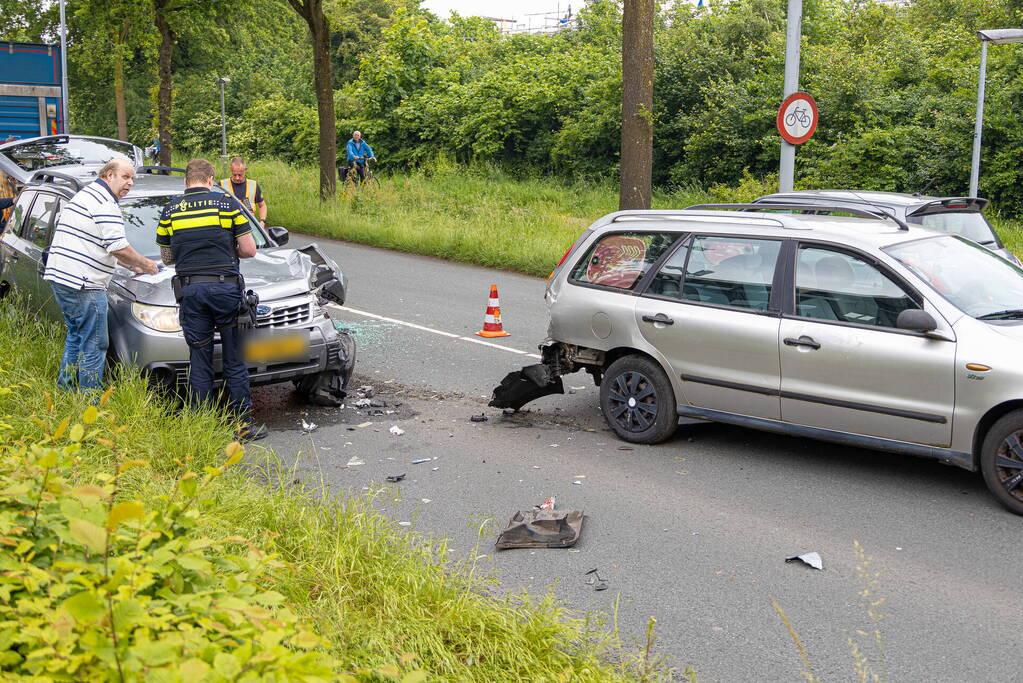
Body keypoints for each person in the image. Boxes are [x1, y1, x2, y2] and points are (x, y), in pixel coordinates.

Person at [158, 158, 266, 441]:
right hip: (225, 290)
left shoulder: (170, 210)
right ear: (210, 180)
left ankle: (199, 426)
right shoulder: (228, 205)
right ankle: (242, 425)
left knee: (200, 358)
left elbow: (167, 258)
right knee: (233, 358)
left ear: (186, 181)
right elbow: (249, 250)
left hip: (191, 291)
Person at [42, 159, 158, 392]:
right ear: (108, 175)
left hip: (63, 277)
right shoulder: (106, 203)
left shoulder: (87, 195)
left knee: (77, 336)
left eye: (132, 179)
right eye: (125, 177)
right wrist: (148, 265)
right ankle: (90, 400)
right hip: (84, 283)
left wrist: (131, 265)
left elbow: (100, 243)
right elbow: (118, 247)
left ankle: (66, 389)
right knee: (95, 343)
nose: (130, 183)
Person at [219, 157, 267, 228]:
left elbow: (262, 206)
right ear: (230, 169)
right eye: (234, 174)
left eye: (240, 175)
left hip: (249, 227)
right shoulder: (222, 185)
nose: (237, 178)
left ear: (245, 170)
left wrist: (262, 222)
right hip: (229, 228)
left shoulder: (253, 185)